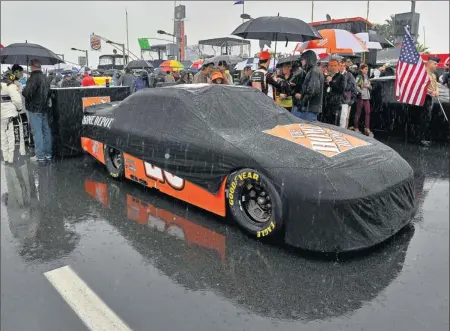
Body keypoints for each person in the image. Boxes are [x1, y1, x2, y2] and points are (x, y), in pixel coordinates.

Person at [22, 59, 52, 162]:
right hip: (44, 108)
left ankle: (40, 156)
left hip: (34, 109)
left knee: (37, 132)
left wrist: (23, 89)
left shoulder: (33, 78)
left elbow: (27, 93)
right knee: (46, 131)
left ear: (32, 67)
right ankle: (48, 154)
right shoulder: (45, 78)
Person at [294, 50, 324, 121]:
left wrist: (301, 98)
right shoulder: (313, 70)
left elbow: (312, 90)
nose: (302, 62)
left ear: (308, 59)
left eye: (303, 60)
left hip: (309, 108)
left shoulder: (314, 71)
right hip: (309, 108)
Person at [416, 56, 440, 146]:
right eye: (435, 63)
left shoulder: (433, 75)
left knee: (427, 118)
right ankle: (419, 138)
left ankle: (423, 137)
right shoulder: (422, 73)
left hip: (429, 99)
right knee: (422, 118)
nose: (436, 66)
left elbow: (436, 85)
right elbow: (420, 86)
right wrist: (430, 92)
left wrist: (436, 91)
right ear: (429, 63)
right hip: (422, 98)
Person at [1, 70, 24, 164]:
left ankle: (5, 157)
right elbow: (17, 101)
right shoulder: (11, 86)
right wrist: (19, 109)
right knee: (13, 137)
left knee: (3, 137)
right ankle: (13, 159)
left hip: (1, 116)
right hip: (11, 115)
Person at [323, 59, 345, 125]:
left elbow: (341, 89)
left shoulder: (341, 77)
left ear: (338, 66)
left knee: (334, 125)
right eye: (331, 65)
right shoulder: (326, 76)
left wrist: (331, 82)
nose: (333, 67)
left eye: (335, 65)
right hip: (325, 104)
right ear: (328, 66)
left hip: (335, 105)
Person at [354, 64, 373, 135]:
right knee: (358, 112)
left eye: (367, 69)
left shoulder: (367, 77)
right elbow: (355, 85)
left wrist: (368, 86)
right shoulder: (359, 76)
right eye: (365, 69)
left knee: (368, 112)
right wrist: (361, 91)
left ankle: (367, 128)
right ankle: (356, 127)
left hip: (367, 97)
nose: (366, 70)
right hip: (361, 97)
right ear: (361, 69)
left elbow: (370, 87)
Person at [339, 58, 357, 128]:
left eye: (343, 65)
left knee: (343, 118)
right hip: (337, 100)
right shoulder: (337, 74)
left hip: (345, 100)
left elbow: (353, 87)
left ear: (345, 66)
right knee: (337, 118)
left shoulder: (349, 75)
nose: (342, 67)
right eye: (340, 65)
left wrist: (351, 100)